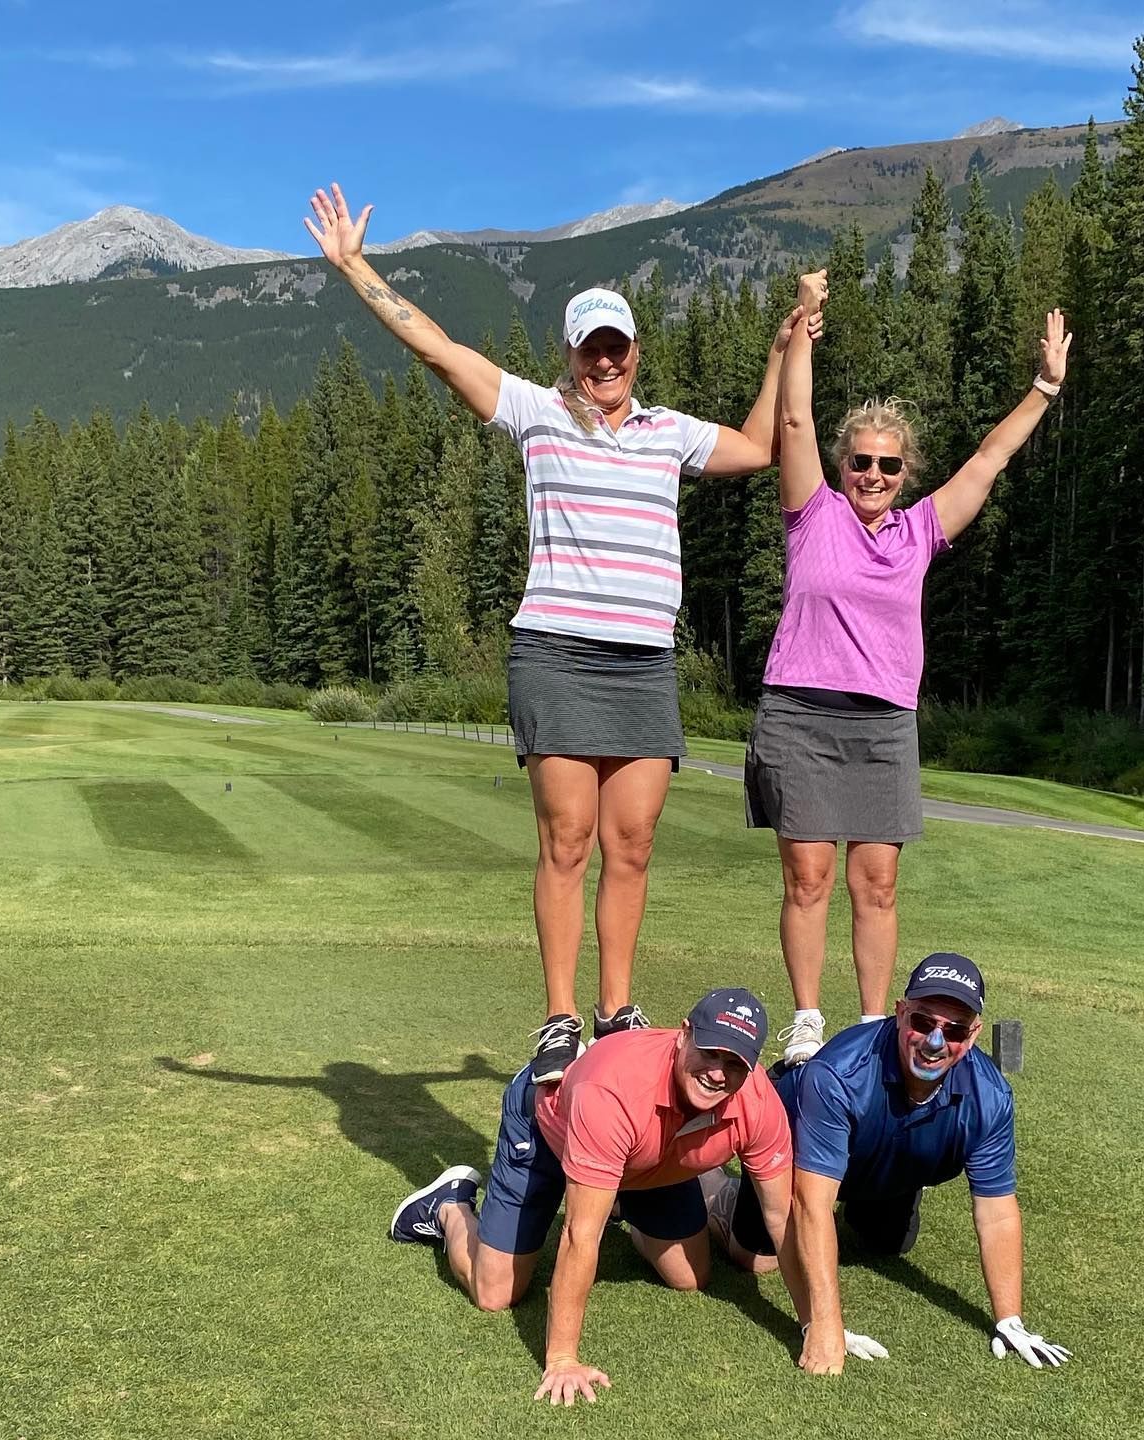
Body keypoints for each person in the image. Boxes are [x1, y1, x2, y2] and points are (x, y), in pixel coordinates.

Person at [305, 185, 817, 1082]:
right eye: (591, 349)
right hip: (556, 654)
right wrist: (355, 269)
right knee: (568, 840)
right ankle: (559, 1017)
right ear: (571, 354)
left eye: (617, 347)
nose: (605, 362)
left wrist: (781, 351)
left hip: (644, 663)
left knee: (633, 845)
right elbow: (437, 349)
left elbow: (759, 446)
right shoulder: (535, 412)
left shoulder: (668, 433)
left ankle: (617, 1009)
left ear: (635, 352)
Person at [746, 270, 1072, 1061]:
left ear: (905, 474)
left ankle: (868, 1027)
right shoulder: (812, 513)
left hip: (884, 725)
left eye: (888, 466)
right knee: (808, 879)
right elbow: (792, 418)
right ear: (842, 464)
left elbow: (989, 459)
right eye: (861, 461)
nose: (873, 475)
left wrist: (1044, 388)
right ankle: (808, 1021)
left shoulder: (919, 532)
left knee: (878, 885)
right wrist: (805, 324)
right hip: (801, 715)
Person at [387, 988, 800, 1405]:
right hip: (548, 1130)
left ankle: (618, 1193)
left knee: (690, 1278)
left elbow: (782, 1218)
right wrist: (562, 1359)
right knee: (495, 1293)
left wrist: (818, 1325)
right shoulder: (612, 1088)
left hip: (644, 1154)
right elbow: (580, 1235)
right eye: (709, 1053)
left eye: (734, 1063)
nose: (717, 1073)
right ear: (684, 1034)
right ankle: (448, 1205)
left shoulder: (758, 1101)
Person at [705, 954, 1070, 1374]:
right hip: (797, 1145)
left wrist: (1010, 1320)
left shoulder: (991, 1096)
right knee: (755, 1257)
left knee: (886, 1243)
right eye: (923, 1022)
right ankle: (714, 1186)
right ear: (900, 1013)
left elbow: (997, 1213)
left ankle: (860, 1201)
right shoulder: (837, 1074)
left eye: (953, 1030)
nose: (935, 1042)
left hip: (883, 1164)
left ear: (973, 1035)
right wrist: (824, 1325)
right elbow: (811, 1203)